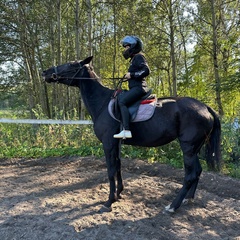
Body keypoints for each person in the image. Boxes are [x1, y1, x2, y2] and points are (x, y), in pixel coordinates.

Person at [113, 35, 150, 139]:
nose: (125, 49)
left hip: (139, 88)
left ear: (133, 46)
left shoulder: (139, 57)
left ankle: (126, 130)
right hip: (135, 88)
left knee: (122, 101)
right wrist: (128, 77)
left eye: (127, 47)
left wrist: (132, 75)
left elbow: (146, 71)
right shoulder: (134, 59)